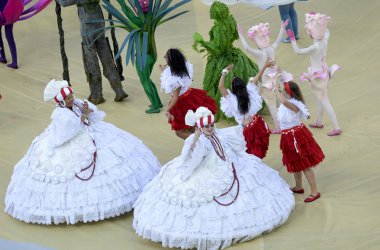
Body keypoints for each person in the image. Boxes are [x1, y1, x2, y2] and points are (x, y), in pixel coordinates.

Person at [133, 106, 294, 249]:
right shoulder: (198, 140)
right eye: (206, 126)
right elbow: (190, 156)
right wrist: (195, 138)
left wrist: (244, 125)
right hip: (208, 169)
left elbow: (231, 135)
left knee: (249, 181)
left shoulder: (217, 134)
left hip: (227, 163)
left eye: (211, 125)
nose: (210, 129)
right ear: (200, 127)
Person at [4, 79, 160, 225]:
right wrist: (83, 116)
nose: (73, 98)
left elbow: (93, 115)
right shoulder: (60, 115)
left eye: (72, 95)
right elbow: (66, 134)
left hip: (91, 132)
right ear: (62, 101)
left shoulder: (77, 103)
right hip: (73, 141)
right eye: (69, 97)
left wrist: (87, 111)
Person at [56, 0, 128, 104]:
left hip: (87, 26)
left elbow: (65, 2)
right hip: (99, 23)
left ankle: (96, 95)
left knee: (91, 61)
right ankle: (119, 90)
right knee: (106, 55)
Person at [287, 11, 341, 136]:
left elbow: (298, 51)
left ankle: (336, 127)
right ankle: (319, 121)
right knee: (320, 99)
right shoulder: (324, 40)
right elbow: (327, 31)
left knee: (325, 101)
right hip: (324, 73)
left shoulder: (314, 47)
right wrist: (320, 23)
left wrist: (292, 38)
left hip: (317, 79)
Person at [273, 80, 323, 202]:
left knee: (305, 164)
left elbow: (283, 101)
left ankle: (315, 191)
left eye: (284, 91)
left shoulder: (294, 105)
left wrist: (275, 90)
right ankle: (299, 186)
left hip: (296, 136)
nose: (283, 93)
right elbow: (283, 101)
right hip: (288, 136)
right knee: (295, 163)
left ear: (290, 93)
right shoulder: (289, 102)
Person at [238, 20, 293, 133]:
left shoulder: (261, 53)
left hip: (267, 83)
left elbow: (248, 48)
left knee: (272, 105)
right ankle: (288, 120)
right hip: (276, 79)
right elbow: (278, 41)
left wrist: (240, 35)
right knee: (280, 100)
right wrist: (282, 29)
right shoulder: (271, 49)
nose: (264, 39)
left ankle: (278, 127)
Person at [218, 61, 274, 159]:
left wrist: (225, 72)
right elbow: (258, 75)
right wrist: (265, 65)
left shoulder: (231, 98)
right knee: (257, 150)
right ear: (243, 85)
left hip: (245, 130)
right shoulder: (250, 90)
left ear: (233, 88)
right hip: (257, 124)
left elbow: (221, 87)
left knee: (249, 153)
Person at [160, 48, 218, 140]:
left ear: (171, 61)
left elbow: (175, 97)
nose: (164, 58)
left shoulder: (175, 80)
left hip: (182, 103)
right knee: (192, 127)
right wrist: (163, 70)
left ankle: (200, 141)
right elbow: (189, 79)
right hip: (190, 96)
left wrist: (167, 110)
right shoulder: (184, 66)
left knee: (180, 132)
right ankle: (201, 140)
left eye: (166, 57)